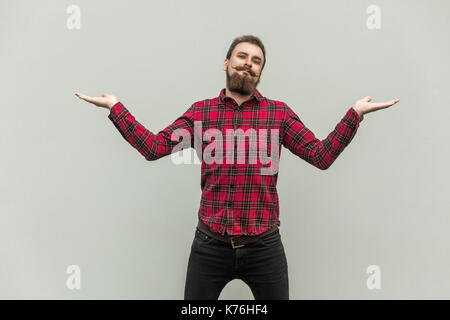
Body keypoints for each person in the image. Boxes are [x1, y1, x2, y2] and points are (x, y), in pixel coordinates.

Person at [75, 35, 400, 300]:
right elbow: (154, 147)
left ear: (260, 72)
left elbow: (320, 155)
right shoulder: (202, 113)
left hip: (264, 247)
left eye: (256, 61)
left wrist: (355, 114)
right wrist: (116, 108)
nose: (248, 63)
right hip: (210, 245)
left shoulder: (278, 114)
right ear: (227, 63)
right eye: (242, 56)